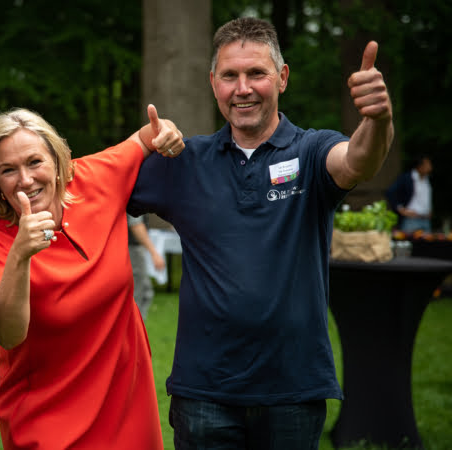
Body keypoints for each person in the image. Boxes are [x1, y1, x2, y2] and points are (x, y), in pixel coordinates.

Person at [128, 17, 394, 449]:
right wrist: (139, 142)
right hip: (204, 394)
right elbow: (96, 191)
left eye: (257, 73)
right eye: (230, 76)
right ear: (214, 82)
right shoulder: (184, 161)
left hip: (292, 390)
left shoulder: (310, 150)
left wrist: (378, 119)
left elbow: (357, 160)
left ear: (282, 77)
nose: (243, 88)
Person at [0, 105, 184, 449]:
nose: (25, 179)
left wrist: (167, 132)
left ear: (57, 161)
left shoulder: (94, 178)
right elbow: (7, 334)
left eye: (35, 161)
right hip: (48, 419)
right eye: (8, 170)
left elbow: (148, 135)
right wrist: (20, 254)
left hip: (126, 408)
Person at [127, 213, 166, 319]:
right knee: (138, 295)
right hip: (132, 250)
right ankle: (133, 331)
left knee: (145, 292)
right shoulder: (132, 197)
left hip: (132, 249)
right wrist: (154, 252)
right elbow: (135, 224)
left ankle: (136, 330)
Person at [386, 155, 433, 232]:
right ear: (420, 166)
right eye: (427, 164)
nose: (430, 167)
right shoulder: (407, 178)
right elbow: (390, 192)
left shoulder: (426, 179)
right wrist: (401, 209)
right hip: (411, 220)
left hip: (425, 219)